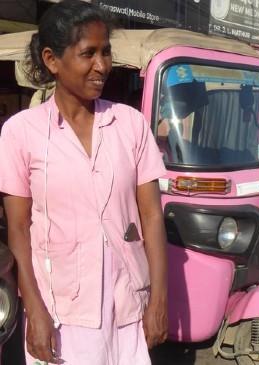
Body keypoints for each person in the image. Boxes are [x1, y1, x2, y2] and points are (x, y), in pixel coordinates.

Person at [0, 1, 168, 363]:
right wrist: (34, 310)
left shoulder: (130, 125)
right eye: (88, 53)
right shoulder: (21, 133)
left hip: (126, 306)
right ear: (52, 60)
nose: (102, 66)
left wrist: (159, 299)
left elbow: (152, 216)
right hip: (61, 310)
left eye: (106, 52)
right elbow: (18, 228)